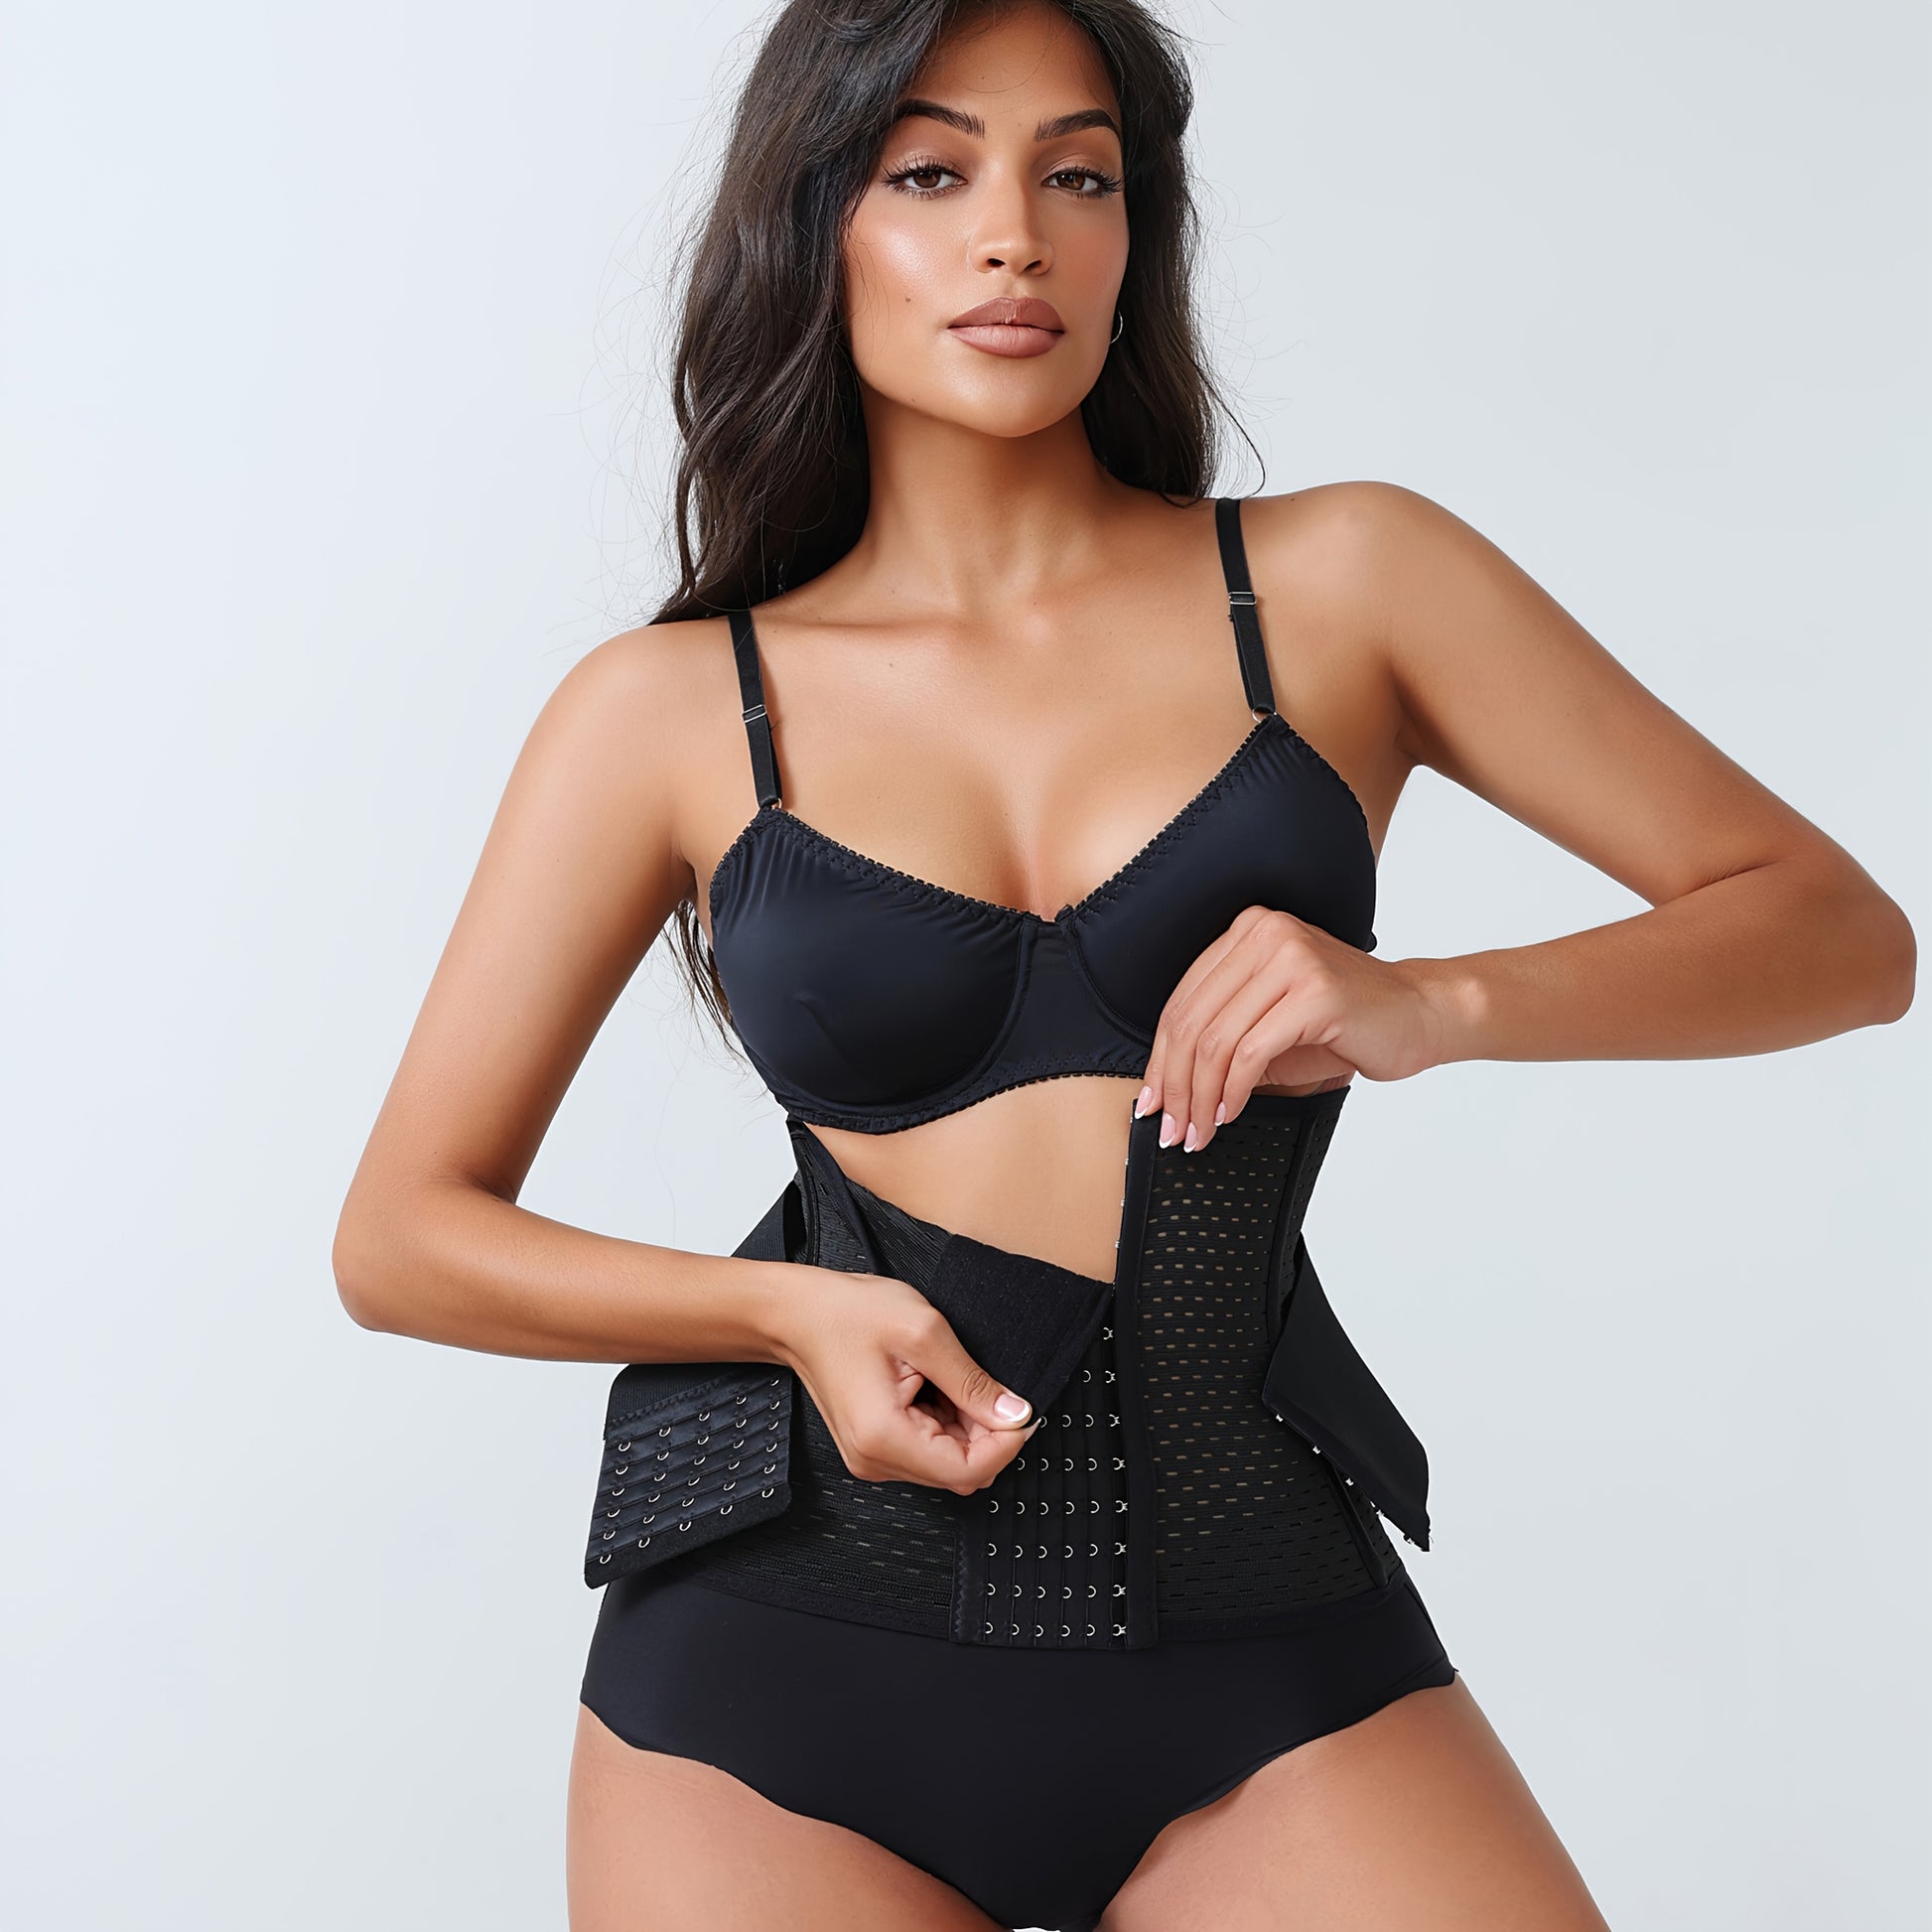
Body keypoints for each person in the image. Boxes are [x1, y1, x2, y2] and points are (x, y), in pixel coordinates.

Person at [332, 3, 1915, 1928]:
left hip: (1263, 1634)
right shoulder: (665, 709)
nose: (1015, 234)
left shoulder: (1343, 586)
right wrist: (786, 1316)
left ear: (1131, 233)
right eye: (931, 171)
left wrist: (1436, 1002)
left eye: (1075, 175)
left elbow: (1838, 936)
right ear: (814, 223)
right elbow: (402, 1234)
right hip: (775, 1681)